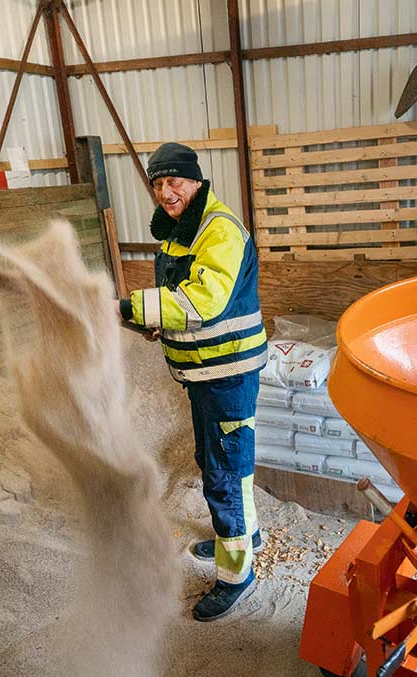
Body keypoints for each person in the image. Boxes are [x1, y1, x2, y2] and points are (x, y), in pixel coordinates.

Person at [116, 143, 267, 622]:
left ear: (196, 181)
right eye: (158, 184)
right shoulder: (182, 229)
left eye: (174, 182)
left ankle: (236, 574)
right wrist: (158, 321)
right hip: (203, 371)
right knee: (215, 460)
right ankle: (246, 532)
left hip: (228, 371)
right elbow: (179, 298)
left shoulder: (218, 229)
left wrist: (130, 308)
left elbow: (201, 301)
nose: (166, 192)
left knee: (226, 470)